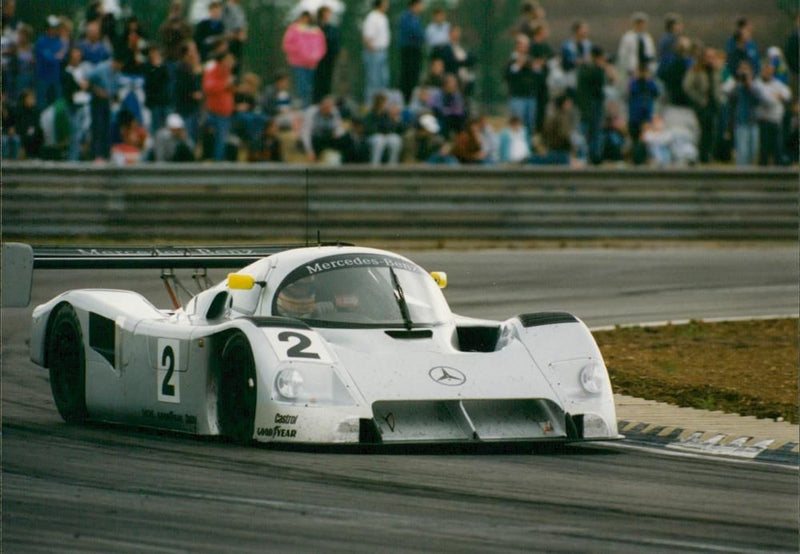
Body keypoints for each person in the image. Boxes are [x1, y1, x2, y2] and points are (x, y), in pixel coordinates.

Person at [683, 46, 724, 163]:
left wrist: (719, 98)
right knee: (701, 133)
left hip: (713, 105)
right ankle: (700, 156)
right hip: (701, 106)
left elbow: (718, 86)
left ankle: (709, 155)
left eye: (712, 57)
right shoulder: (696, 70)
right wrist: (698, 99)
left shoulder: (715, 71)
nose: (710, 60)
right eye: (708, 57)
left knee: (712, 132)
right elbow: (687, 87)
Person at [282, 11, 326, 109]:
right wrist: (299, 51)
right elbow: (287, 44)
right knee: (301, 86)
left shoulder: (316, 31)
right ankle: (301, 107)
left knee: (310, 87)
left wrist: (316, 56)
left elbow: (321, 47)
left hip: (312, 64)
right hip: (298, 63)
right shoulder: (294, 29)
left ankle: (308, 107)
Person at [87, 52, 124, 161]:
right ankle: (96, 155)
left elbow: (117, 89)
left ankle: (105, 154)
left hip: (108, 101)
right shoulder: (101, 69)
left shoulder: (118, 73)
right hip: (97, 100)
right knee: (98, 127)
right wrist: (96, 90)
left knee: (107, 128)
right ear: (115, 62)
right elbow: (87, 80)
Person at [754, 61, 792, 165]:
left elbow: (787, 93)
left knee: (777, 149)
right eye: (766, 71)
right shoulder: (757, 83)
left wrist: (777, 95)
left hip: (776, 121)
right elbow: (767, 99)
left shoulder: (776, 83)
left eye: (770, 71)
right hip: (764, 121)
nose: (768, 73)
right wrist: (777, 96)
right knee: (764, 150)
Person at [202, 50, 236, 161]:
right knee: (219, 139)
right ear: (221, 61)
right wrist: (225, 84)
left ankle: (219, 160)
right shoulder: (212, 72)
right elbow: (208, 87)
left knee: (223, 139)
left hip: (226, 112)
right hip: (216, 112)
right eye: (228, 60)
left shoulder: (227, 72)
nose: (231, 62)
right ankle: (217, 162)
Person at [576, 46, 608, 165]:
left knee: (595, 131)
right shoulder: (588, 69)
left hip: (594, 104)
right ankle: (586, 155)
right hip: (589, 105)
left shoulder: (589, 68)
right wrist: (601, 68)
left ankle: (594, 156)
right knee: (588, 131)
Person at [504, 34, 540, 139]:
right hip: (517, 97)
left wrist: (536, 67)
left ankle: (527, 148)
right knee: (517, 123)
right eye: (523, 45)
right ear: (517, 45)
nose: (525, 47)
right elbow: (507, 75)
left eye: (527, 45)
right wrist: (518, 65)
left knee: (530, 125)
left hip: (530, 96)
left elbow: (537, 76)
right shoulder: (511, 59)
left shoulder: (530, 60)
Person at [727, 60, 761, 166]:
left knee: (753, 151)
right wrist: (739, 83)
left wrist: (749, 84)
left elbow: (759, 100)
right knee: (742, 151)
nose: (744, 73)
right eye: (742, 69)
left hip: (753, 122)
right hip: (741, 122)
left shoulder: (756, 84)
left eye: (746, 70)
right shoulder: (734, 84)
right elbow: (730, 97)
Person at [61, 46, 91, 161]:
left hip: (85, 103)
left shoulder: (84, 69)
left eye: (78, 56)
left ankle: (82, 157)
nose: (77, 58)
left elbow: (88, 84)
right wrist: (80, 85)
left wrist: (83, 85)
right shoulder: (67, 71)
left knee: (85, 133)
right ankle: (73, 159)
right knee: (75, 134)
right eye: (74, 56)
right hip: (73, 106)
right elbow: (72, 87)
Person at [301, 95, 351, 163]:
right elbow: (306, 133)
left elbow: (339, 127)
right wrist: (309, 151)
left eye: (329, 107)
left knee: (346, 138)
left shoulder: (334, 111)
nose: (327, 109)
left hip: (329, 137)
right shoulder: (312, 112)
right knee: (316, 140)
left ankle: (346, 161)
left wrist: (337, 133)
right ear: (320, 105)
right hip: (316, 138)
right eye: (325, 107)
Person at [628, 64, 660, 163]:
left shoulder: (649, 83)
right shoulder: (634, 83)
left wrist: (648, 80)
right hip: (635, 115)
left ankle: (643, 157)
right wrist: (635, 78)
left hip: (646, 114)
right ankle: (634, 157)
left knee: (645, 137)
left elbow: (657, 92)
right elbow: (630, 90)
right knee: (634, 137)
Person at [34, 15, 67, 110]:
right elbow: (49, 58)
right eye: (52, 27)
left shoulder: (58, 41)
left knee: (57, 105)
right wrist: (56, 56)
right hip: (43, 78)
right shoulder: (41, 41)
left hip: (55, 78)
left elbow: (62, 56)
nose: (54, 29)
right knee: (42, 105)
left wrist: (56, 56)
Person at [173, 40, 203, 144]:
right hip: (185, 109)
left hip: (194, 108)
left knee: (194, 135)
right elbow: (181, 88)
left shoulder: (194, 68)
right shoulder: (181, 67)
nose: (195, 53)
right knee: (187, 137)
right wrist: (193, 94)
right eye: (193, 50)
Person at [362, 0, 390, 105]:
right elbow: (367, 37)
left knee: (383, 80)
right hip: (374, 52)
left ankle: (382, 105)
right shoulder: (372, 17)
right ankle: (369, 104)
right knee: (373, 81)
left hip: (383, 51)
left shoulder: (383, 17)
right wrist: (372, 49)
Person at [364, 92, 404, 165]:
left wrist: (395, 120)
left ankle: (392, 166)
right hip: (373, 137)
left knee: (395, 139)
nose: (386, 105)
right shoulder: (370, 115)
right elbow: (369, 129)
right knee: (379, 140)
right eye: (384, 103)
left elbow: (392, 129)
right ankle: (374, 166)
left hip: (386, 136)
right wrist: (381, 133)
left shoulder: (386, 115)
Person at [437, 26, 476, 97]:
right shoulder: (445, 48)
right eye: (454, 32)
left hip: (465, 76)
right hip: (453, 76)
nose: (456, 34)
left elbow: (471, 60)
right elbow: (451, 62)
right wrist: (462, 62)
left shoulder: (462, 47)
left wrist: (461, 62)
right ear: (449, 34)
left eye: (457, 32)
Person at [398, 0, 425, 104]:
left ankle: (412, 99)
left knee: (415, 75)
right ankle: (405, 99)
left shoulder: (416, 18)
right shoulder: (406, 17)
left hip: (416, 50)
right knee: (407, 76)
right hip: (408, 50)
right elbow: (413, 32)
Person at [617, 12, 656, 82]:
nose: (641, 25)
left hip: (646, 70)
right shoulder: (627, 37)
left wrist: (651, 68)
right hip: (632, 70)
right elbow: (623, 54)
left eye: (643, 23)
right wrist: (627, 68)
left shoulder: (647, 38)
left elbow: (651, 53)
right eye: (639, 23)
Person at [313, 6, 340, 104]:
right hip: (317, 60)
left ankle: (325, 102)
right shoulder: (315, 28)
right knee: (317, 83)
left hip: (329, 59)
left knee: (327, 83)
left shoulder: (332, 29)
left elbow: (336, 43)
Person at [143, 46, 170, 135]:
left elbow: (167, 79)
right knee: (156, 128)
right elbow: (150, 82)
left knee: (166, 127)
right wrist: (156, 67)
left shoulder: (164, 65)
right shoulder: (147, 66)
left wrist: (159, 66)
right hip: (154, 102)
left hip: (164, 101)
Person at [560, 20, 592, 93]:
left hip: (585, 78)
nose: (586, 31)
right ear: (577, 31)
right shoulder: (567, 46)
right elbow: (564, 62)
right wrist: (575, 62)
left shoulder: (589, 46)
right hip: (571, 77)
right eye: (584, 29)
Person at [222, 0, 247, 72]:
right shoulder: (226, 8)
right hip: (230, 39)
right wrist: (232, 34)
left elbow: (243, 23)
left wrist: (243, 33)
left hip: (239, 39)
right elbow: (225, 24)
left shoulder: (239, 8)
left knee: (237, 62)